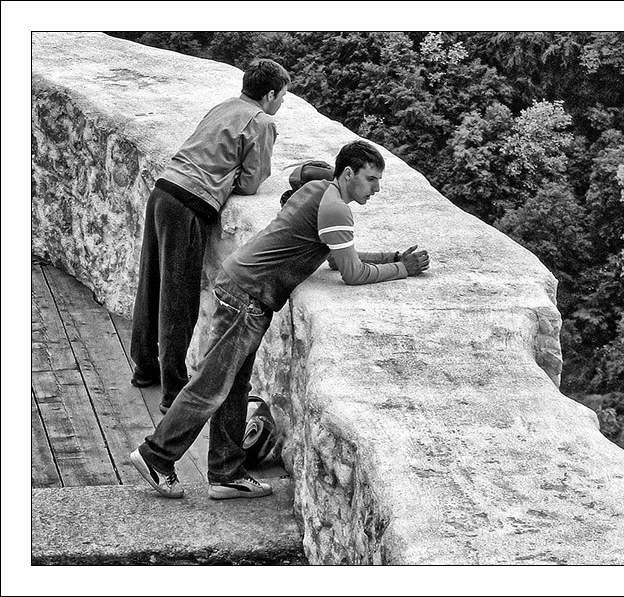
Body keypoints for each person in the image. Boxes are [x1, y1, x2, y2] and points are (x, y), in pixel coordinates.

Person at [130, 140, 430, 499]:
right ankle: (156, 456)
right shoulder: (336, 209)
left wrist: (393, 255)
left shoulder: (319, 190)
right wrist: (402, 269)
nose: (376, 189)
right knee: (209, 386)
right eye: (371, 180)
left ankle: (226, 473)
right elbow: (351, 272)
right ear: (348, 174)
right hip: (248, 296)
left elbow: (337, 258)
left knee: (234, 388)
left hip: (242, 287)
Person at [129, 58, 290, 415]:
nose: (281, 104)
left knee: (151, 281)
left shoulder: (225, 106)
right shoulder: (262, 122)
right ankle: (174, 391)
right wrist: (229, 178)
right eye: (282, 96)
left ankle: (144, 367)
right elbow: (251, 183)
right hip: (190, 203)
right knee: (179, 298)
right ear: (269, 94)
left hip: (164, 189)